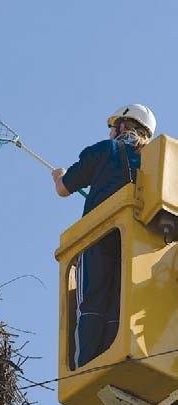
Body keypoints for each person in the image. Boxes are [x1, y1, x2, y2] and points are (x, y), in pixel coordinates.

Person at [52, 104, 156, 368]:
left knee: (92, 301)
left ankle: (86, 366)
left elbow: (64, 189)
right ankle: (115, 358)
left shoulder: (105, 150)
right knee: (118, 303)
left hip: (98, 239)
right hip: (135, 245)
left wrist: (60, 176)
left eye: (113, 127)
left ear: (122, 126)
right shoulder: (154, 161)